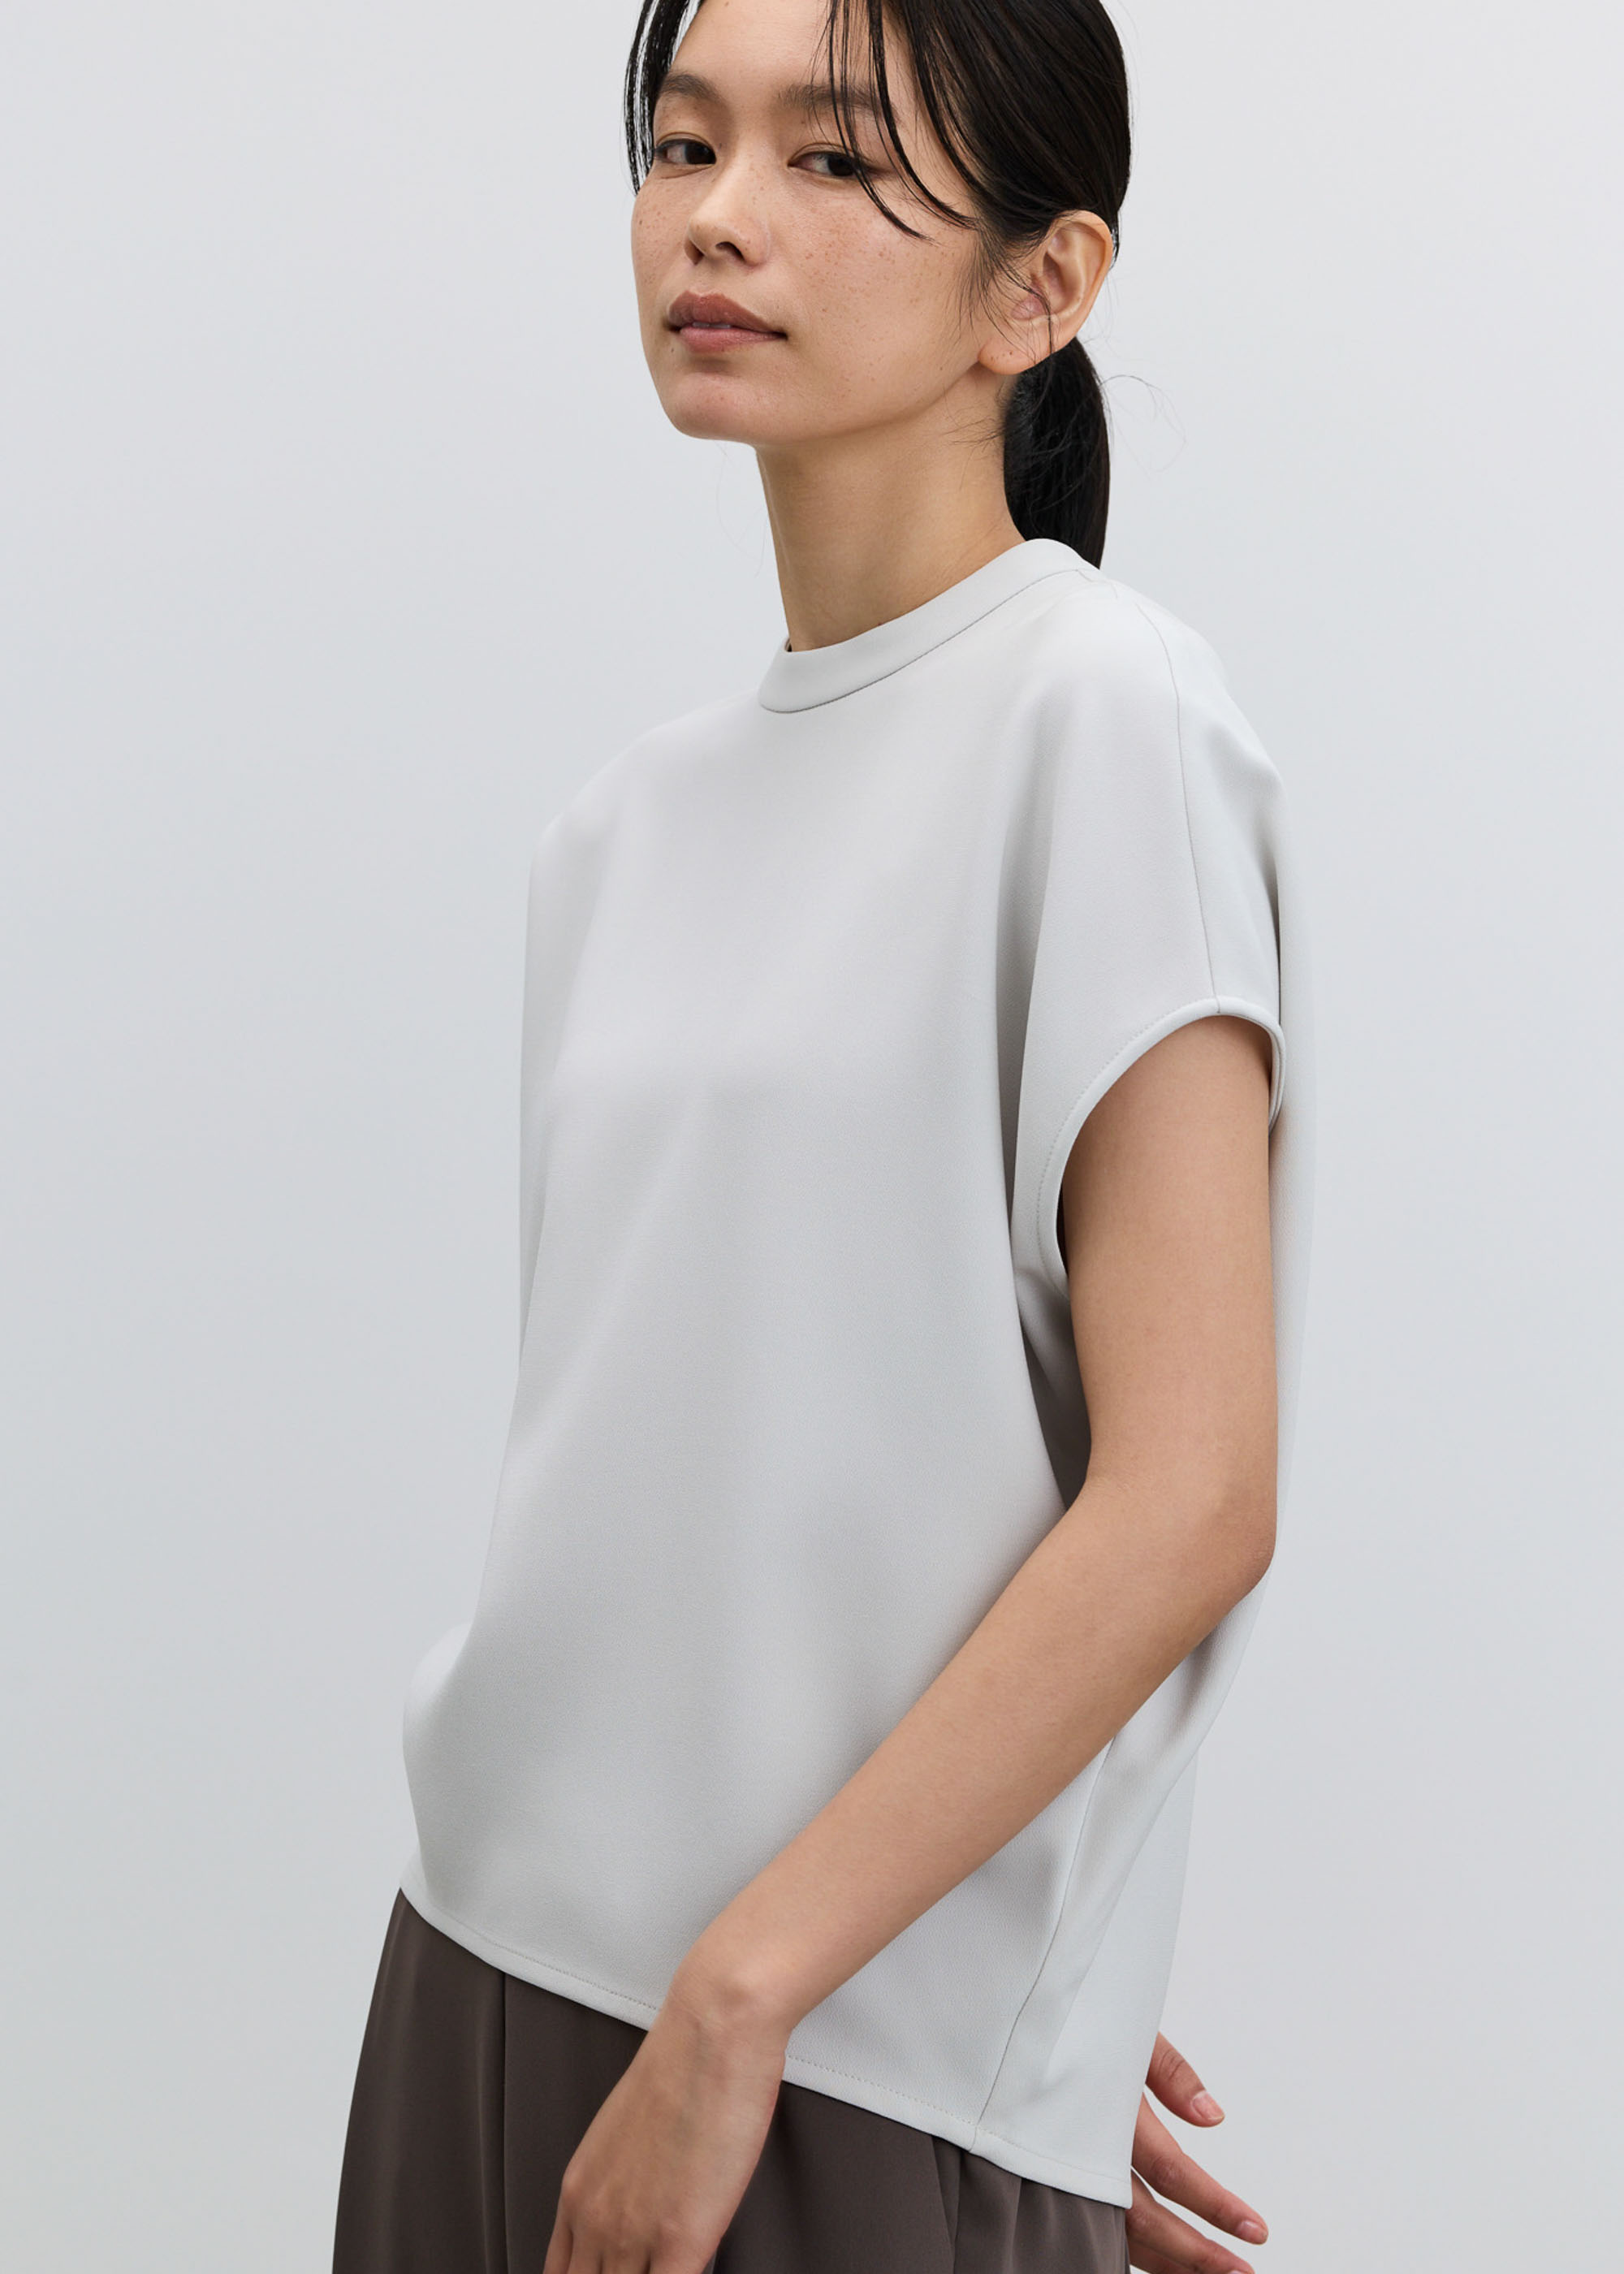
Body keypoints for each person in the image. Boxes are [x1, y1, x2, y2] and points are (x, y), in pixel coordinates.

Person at [331, 0, 1313, 2267]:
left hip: (770, 2057)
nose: (722, 218)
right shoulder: (618, 834)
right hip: (479, 1968)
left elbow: (1193, 1494)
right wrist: (946, 1978)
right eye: (685, 145)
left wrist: (825, 2000)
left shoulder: (1107, 722)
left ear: (1043, 284)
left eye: (835, 160)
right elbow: (715, 1505)